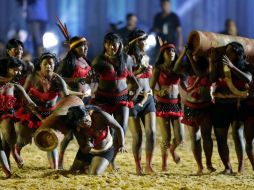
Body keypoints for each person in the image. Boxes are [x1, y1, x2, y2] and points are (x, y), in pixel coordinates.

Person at [92, 32, 140, 170]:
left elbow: (134, 82)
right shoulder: (99, 60)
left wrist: (133, 97)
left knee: (122, 128)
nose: (112, 47)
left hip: (122, 99)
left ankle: (112, 160)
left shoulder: (126, 59)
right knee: (104, 130)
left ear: (119, 45)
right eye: (109, 43)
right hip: (103, 99)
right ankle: (100, 156)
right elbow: (91, 79)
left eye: (115, 44)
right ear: (104, 45)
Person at [15, 52, 70, 169]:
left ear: (55, 65)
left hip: (49, 114)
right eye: (45, 64)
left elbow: (67, 96)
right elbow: (23, 94)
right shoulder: (32, 77)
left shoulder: (58, 80)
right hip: (31, 112)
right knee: (23, 140)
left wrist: (81, 94)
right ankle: (16, 155)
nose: (48, 66)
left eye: (51, 63)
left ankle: (54, 167)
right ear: (40, 65)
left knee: (51, 140)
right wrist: (29, 104)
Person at [210, 42, 252, 174]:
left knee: (237, 134)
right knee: (220, 137)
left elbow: (248, 79)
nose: (227, 54)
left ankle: (241, 166)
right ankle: (227, 167)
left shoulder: (245, 66)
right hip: (221, 104)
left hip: (237, 104)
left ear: (238, 53)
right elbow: (212, 78)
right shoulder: (221, 65)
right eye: (226, 51)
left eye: (231, 52)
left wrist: (232, 67)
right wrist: (213, 61)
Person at [174, 46, 215, 175]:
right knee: (194, 137)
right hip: (190, 106)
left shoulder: (208, 66)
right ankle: (200, 166)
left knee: (206, 136)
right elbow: (175, 69)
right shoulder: (187, 68)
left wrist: (191, 57)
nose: (195, 55)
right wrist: (183, 54)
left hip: (205, 106)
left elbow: (200, 73)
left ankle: (208, 163)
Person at [0, 57, 39, 174]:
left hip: (6, 115)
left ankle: (12, 157)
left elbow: (29, 101)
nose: (18, 73)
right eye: (16, 70)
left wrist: (36, 107)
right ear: (8, 69)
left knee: (9, 137)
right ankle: (8, 168)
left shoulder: (15, 86)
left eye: (20, 71)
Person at [150, 42, 184, 171]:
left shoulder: (178, 68)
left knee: (180, 137)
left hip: (176, 104)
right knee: (166, 137)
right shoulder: (158, 69)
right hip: (162, 104)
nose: (171, 53)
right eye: (168, 51)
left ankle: (172, 149)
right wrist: (159, 92)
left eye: (173, 51)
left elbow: (184, 84)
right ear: (163, 54)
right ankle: (164, 163)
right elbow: (151, 88)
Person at [126, 30, 156, 175]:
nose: (147, 43)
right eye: (144, 40)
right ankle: (138, 167)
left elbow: (148, 78)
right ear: (136, 42)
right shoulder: (127, 59)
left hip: (148, 98)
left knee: (152, 132)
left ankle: (149, 165)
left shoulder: (145, 57)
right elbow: (125, 79)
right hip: (133, 100)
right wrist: (139, 71)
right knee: (138, 136)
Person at [66, 105, 126, 175]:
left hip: (105, 151)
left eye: (86, 120)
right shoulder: (77, 129)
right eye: (82, 123)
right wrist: (87, 147)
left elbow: (119, 128)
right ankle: (87, 165)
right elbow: (83, 150)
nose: (86, 123)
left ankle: (92, 165)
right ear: (77, 124)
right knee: (73, 171)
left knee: (95, 173)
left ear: (88, 113)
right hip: (87, 151)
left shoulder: (101, 116)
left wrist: (122, 144)